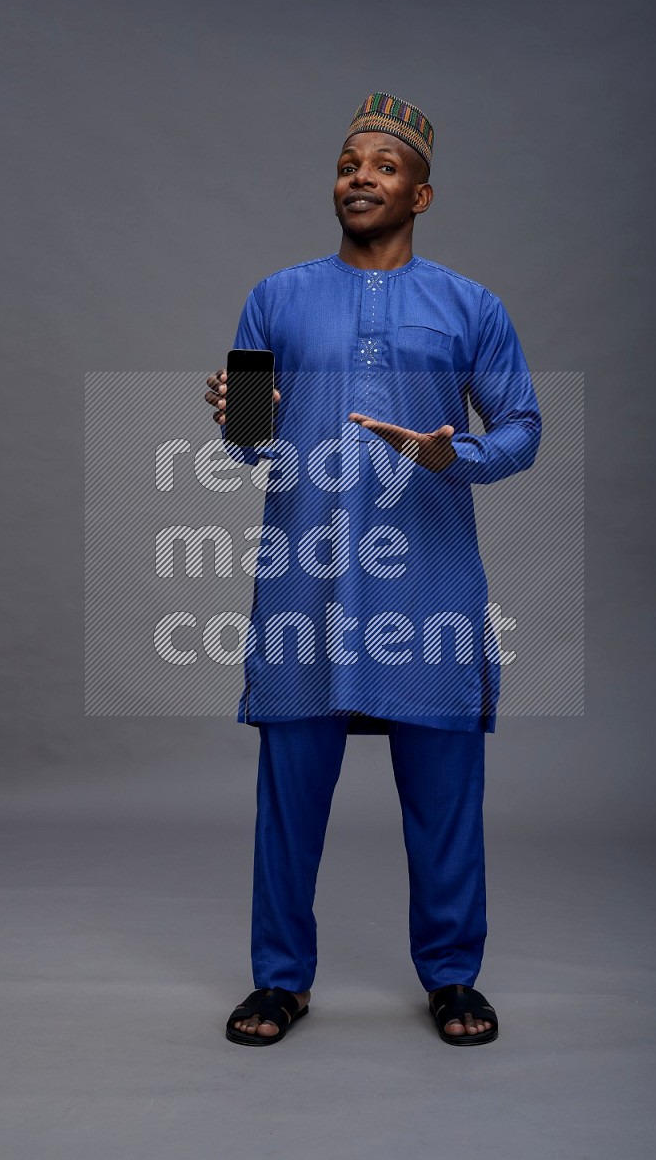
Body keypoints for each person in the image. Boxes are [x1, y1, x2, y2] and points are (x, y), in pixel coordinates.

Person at [206, 93, 541, 1046]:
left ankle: (452, 977)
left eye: (383, 167)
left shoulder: (470, 305)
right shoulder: (275, 296)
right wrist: (233, 408)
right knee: (289, 792)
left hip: (427, 587)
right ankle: (280, 979)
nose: (360, 176)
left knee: (444, 796)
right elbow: (247, 442)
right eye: (350, 162)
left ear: (421, 194)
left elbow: (521, 429)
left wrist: (454, 455)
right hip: (305, 583)